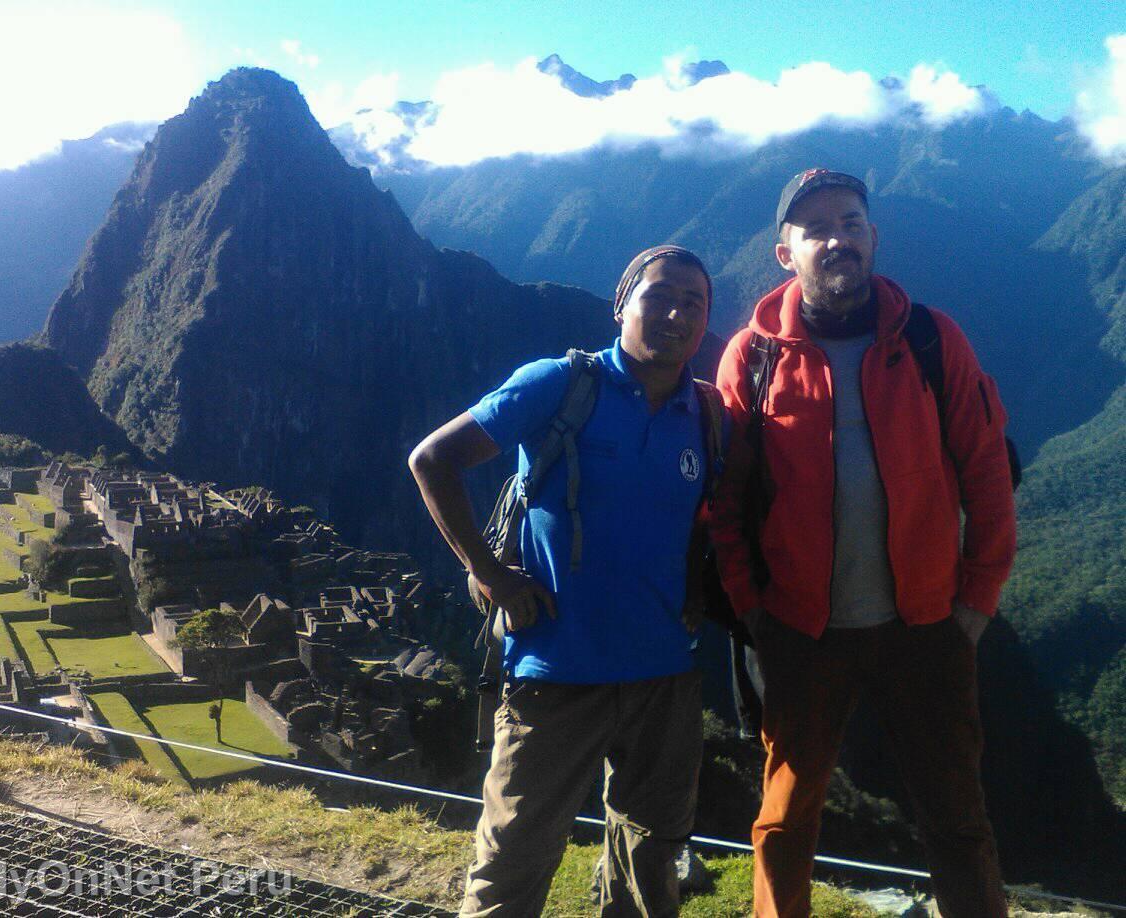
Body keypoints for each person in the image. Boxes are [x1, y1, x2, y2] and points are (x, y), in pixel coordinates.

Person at [711, 169, 1016, 917]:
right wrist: (753, 609)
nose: (836, 239)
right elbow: (723, 503)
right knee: (786, 817)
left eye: (850, 222)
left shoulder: (929, 339)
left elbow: (986, 468)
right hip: (801, 630)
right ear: (786, 253)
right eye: (816, 228)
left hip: (925, 625)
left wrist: (976, 599)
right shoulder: (753, 357)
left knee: (956, 817)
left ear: (873, 237)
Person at [409, 245, 718, 917]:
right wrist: (488, 574)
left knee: (651, 866)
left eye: (694, 303)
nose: (676, 313)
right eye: (659, 295)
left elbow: (712, 521)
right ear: (620, 305)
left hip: (664, 678)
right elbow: (432, 459)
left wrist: (696, 592)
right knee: (512, 864)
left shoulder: (707, 413)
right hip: (554, 672)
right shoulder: (561, 384)